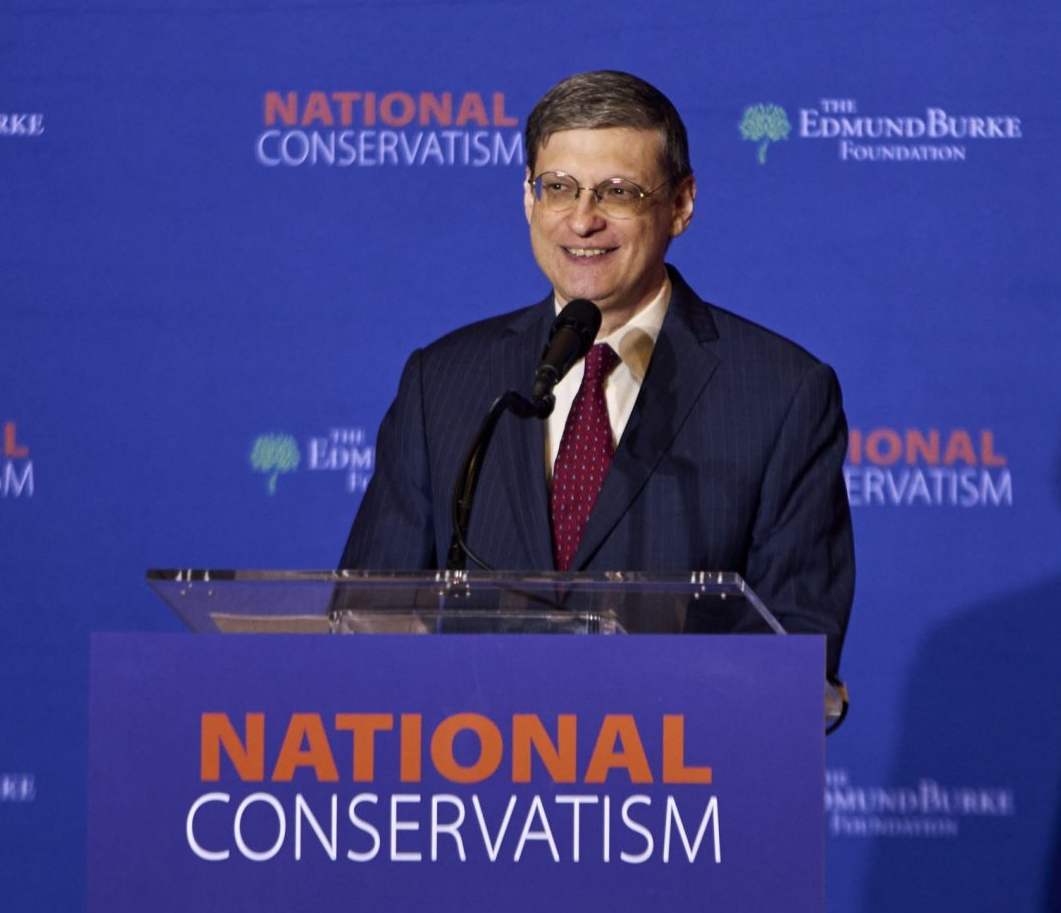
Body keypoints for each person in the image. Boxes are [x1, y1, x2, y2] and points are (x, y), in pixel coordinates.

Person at [340, 70, 854, 678]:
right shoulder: (443, 380)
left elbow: (797, 641)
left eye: (617, 192)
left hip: (673, 760)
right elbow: (368, 616)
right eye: (559, 187)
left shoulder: (781, 392)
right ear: (528, 199)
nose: (582, 221)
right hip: (474, 757)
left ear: (681, 203)